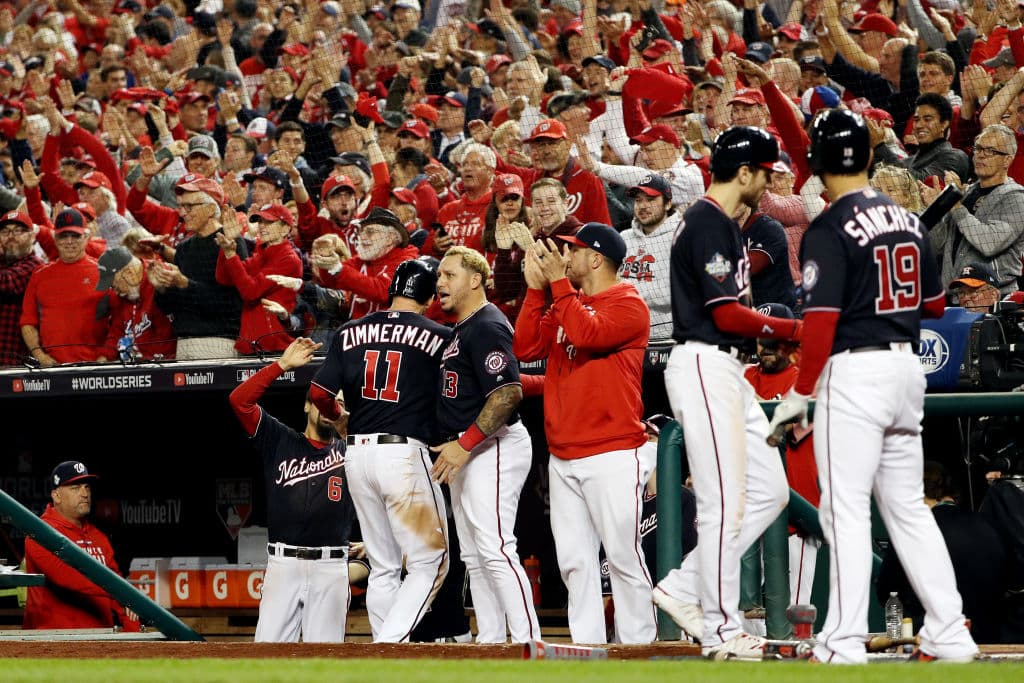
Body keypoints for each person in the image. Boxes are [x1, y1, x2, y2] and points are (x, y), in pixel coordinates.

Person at [768, 109, 978, 664]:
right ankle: (950, 630)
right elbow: (934, 304)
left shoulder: (830, 227)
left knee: (845, 510)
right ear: (867, 157)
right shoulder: (908, 220)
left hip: (854, 369)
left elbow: (821, 321)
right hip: (907, 368)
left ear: (816, 165)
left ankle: (841, 641)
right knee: (907, 506)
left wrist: (801, 392)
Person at [652, 126, 803, 660]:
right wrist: (793, 330)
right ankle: (721, 629)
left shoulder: (718, 223)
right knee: (724, 504)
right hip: (703, 363)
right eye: (765, 172)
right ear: (744, 172)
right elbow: (727, 313)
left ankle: (683, 585)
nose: (768, 182)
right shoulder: (709, 222)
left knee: (769, 491)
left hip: (725, 368)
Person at [512, 223, 657, 644]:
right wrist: (537, 290)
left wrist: (557, 284)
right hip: (563, 455)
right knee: (575, 561)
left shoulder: (629, 303)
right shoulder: (564, 300)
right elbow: (526, 348)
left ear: (595, 258)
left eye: (572, 251)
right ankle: (588, 645)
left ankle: (637, 646)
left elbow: (587, 333)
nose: (564, 257)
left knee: (624, 556)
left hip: (611, 451)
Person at [309, 260, 451, 643]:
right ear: (430, 296)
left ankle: (382, 647)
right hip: (402, 453)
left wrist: (339, 419)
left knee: (384, 566)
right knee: (430, 562)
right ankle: (391, 645)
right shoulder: (439, 334)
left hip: (357, 454)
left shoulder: (351, 330)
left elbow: (319, 394)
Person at [430, 246, 540, 643]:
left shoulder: (487, 324)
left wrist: (464, 445)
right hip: (470, 448)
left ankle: (530, 642)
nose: (440, 282)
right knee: (474, 555)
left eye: (449, 274)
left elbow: (507, 394)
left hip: (494, 444)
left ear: (475, 280)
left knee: (494, 546)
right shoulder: (464, 327)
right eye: (439, 274)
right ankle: (492, 639)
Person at [228, 337, 355, 643]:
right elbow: (239, 401)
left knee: (326, 665)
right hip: (283, 564)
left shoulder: (355, 449)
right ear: (307, 404)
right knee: (267, 658)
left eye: (337, 402)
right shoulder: (279, 439)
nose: (330, 407)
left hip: (331, 565)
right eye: (323, 400)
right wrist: (282, 365)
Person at [877, 461, 1008, 645]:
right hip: (990, 637)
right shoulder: (988, 526)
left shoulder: (911, 531)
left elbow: (887, 591)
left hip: (930, 640)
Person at [743, 302, 821, 606]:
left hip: (796, 512)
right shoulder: (746, 375)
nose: (766, 346)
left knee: (795, 608)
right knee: (743, 607)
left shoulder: (807, 379)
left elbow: (780, 431)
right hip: (750, 506)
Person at [23, 461, 139, 631]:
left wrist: (134, 634)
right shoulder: (40, 533)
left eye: (86, 487)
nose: (84, 493)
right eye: (75, 488)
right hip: (53, 642)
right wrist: (119, 592)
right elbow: (67, 576)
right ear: (56, 496)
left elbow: (121, 596)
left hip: (101, 640)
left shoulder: (99, 537)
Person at [149, 175, 245, 360]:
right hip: (183, 342)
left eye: (189, 206)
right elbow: (169, 307)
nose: (182, 213)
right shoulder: (184, 248)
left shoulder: (230, 242)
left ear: (210, 209)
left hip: (219, 342)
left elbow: (231, 304)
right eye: (181, 206)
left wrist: (185, 283)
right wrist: (161, 287)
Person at [924, 125, 1024, 296]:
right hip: (955, 296)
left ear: (1007, 160)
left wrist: (955, 205)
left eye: (990, 151)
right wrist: (936, 210)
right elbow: (937, 246)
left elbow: (989, 243)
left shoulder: (1017, 198)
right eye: (978, 149)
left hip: (994, 298)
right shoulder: (965, 192)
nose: (981, 155)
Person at [20, 208, 109, 367]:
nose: (69, 241)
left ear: (86, 237)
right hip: (51, 369)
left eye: (75, 235)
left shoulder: (104, 273)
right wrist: (40, 356)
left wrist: (105, 356)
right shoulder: (39, 275)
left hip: (95, 369)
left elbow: (119, 321)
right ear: (54, 237)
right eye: (63, 235)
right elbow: (28, 322)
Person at [215, 203, 302, 354]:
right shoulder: (262, 255)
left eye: (269, 222)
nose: (262, 226)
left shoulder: (288, 259)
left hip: (275, 347)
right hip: (252, 344)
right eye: (261, 221)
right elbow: (223, 278)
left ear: (285, 229)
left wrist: (231, 255)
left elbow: (250, 291)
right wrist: (226, 246)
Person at [619, 174, 682, 342]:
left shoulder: (681, 238)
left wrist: (627, 294)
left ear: (668, 203)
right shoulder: (624, 238)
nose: (643, 206)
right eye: (639, 200)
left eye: (651, 199)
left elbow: (677, 292)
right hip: (625, 335)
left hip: (666, 337)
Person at [95, 247, 176, 361]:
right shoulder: (123, 295)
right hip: (138, 367)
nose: (115, 291)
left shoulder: (161, 276)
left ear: (129, 272)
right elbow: (117, 331)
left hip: (168, 364)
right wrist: (104, 357)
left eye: (115, 285)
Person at [0, 210, 43, 367]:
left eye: (18, 231)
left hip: (14, 361)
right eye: (5, 231)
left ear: (32, 236)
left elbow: (6, 282)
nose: (11, 236)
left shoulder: (34, 266)